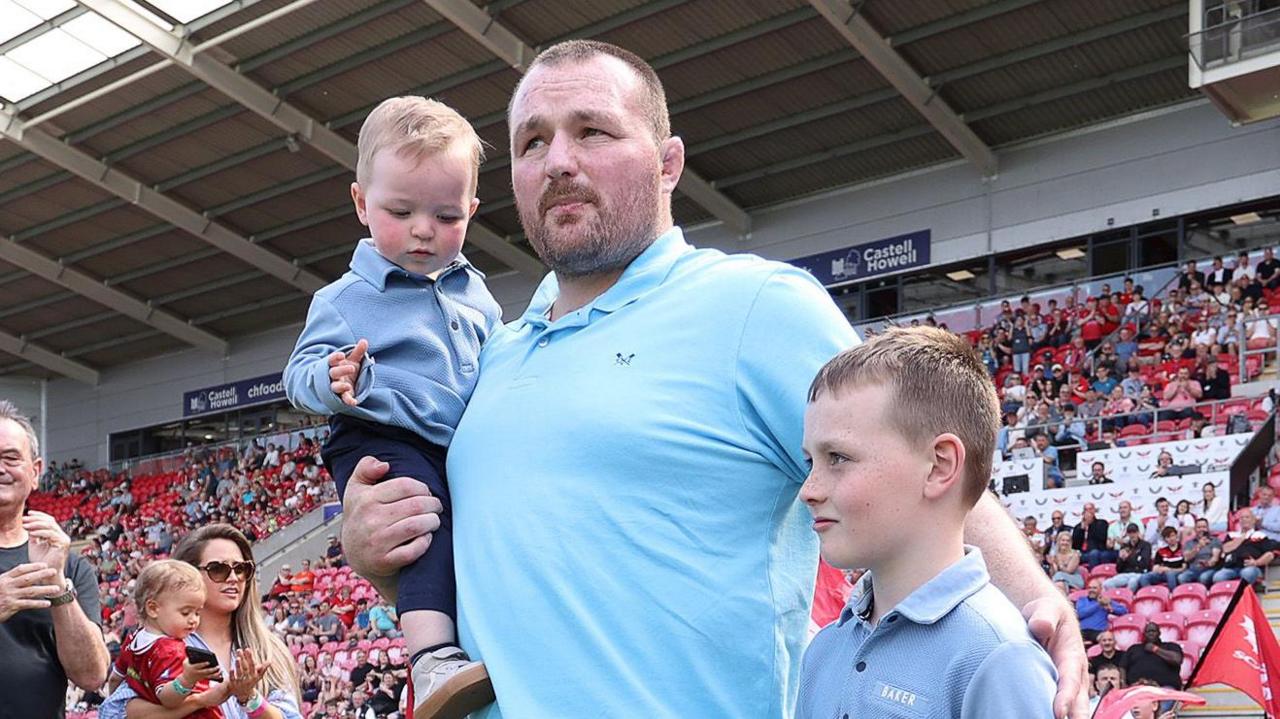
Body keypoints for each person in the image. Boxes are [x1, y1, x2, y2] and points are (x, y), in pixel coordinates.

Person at [338, 39, 1089, 719]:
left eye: (592, 130)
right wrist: (380, 562)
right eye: (533, 141)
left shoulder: (752, 305)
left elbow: (923, 464)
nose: (558, 159)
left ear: (668, 163)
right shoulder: (492, 357)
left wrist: (1034, 607)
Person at [282, 95, 501, 717]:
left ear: (473, 211)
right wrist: (334, 377)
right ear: (360, 204)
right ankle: (431, 661)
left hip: (455, 443)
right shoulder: (344, 298)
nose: (424, 230)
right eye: (400, 211)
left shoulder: (477, 293)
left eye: (446, 214)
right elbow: (297, 378)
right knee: (420, 522)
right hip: (383, 432)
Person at [797, 328, 1055, 718]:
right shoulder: (823, 650)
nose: (808, 490)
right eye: (809, 462)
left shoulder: (997, 657)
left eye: (838, 457)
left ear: (939, 466)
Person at [98, 524, 302, 719]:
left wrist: (249, 697)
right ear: (186, 574)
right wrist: (200, 701)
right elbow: (118, 710)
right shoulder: (158, 644)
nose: (233, 578)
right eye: (218, 569)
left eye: (241, 569)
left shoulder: (267, 647)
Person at [0, 400, 110, 718]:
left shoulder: (70, 564)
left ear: (35, 472)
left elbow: (91, 676)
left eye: (11, 458)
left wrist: (57, 585)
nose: (1, 468)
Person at [109, 560, 225, 717]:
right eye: (186, 612)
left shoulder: (132, 640)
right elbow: (168, 699)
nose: (194, 620)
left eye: (197, 612)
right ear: (153, 609)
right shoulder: (170, 651)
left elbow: (115, 679)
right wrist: (187, 679)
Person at [1211, 509, 1277, 589]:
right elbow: (1226, 549)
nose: (1244, 519)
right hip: (1231, 567)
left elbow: (1270, 554)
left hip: (1251, 567)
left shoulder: (1260, 536)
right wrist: (1242, 537)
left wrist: (1256, 562)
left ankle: (1241, 595)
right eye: (1241, 518)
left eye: (1247, 517)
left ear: (1253, 520)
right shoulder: (1231, 535)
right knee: (1218, 577)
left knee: (1247, 573)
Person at [1119, 622, 1182, 690]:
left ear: (1159, 633)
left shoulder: (1170, 646)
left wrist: (1155, 649)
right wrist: (1123, 682)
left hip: (1164, 689)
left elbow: (1177, 659)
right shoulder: (1134, 648)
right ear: (1144, 634)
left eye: (1153, 631)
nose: (1151, 633)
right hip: (1137, 688)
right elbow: (1122, 666)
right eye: (1148, 631)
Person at [1105, 523, 1153, 592]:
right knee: (1107, 583)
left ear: (1138, 532)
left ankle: (1127, 598)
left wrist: (1128, 558)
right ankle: (1118, 596)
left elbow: (1144, 564)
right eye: (1130, 532)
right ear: (1127, 534)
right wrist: (1121, 560)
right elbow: (1118, 569)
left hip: (1139, 573)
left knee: (1132, 582)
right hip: (1125, 573)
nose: (1132, 535)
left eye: (1134, 532)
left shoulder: (1145, 545)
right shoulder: (1124, 546)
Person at [1077, 579, 1128, 644]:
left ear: (1100, 589)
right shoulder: (1082, 600)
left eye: (1094, 588)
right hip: (1082, 631)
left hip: (1098, 632)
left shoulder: (1105, 601)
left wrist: (1111, 608)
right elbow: (1080, 614)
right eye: (1089, 588)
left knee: (1106, 639)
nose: (1091, 590)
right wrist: (1098, 604)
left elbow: (1124, 611)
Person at [1179, 518, 1223, 586]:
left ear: (1208, 528)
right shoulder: (1189, 543)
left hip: (1209, 569)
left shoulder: (1215, 540)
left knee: (1204, 577)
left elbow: (1215, 558)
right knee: (1182, 577)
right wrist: (1198, 546)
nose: (1201, 529)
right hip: (1193, 570)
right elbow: (1186, 558)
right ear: (1195, 529)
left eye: (1204, 527)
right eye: (1199, 527)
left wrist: (1207, 563)